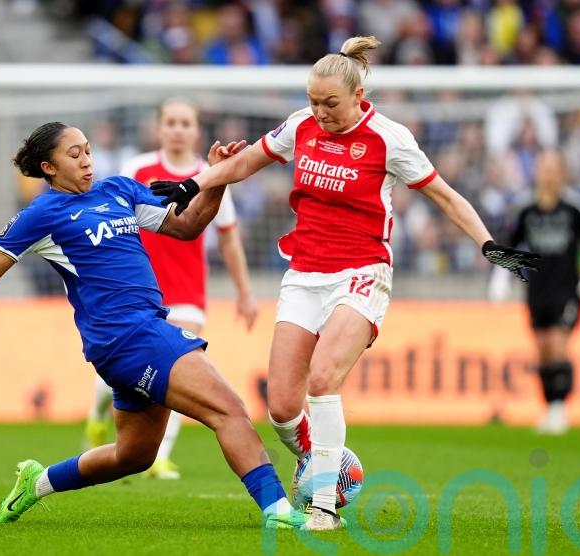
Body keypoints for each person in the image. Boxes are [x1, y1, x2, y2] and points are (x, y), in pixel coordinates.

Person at [149, 35, 540, 531]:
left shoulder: (389, 139)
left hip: (361, 273)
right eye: (313, 101)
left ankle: (323, 507)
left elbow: (445, 195)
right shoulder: (302, 126)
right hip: (304, 273)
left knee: (322, 379)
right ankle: (326, 463)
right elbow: (246, 161)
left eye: (330, 103)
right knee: (282, 408)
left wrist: (488, 245)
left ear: (358, 97)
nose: (320, 111)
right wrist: (195, 183)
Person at [0, 122, 306, 529]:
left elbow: (188, 226)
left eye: (87, 150)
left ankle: (38, 482)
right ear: (48, 168)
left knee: (134, 455)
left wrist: (217, 179)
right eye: (74, 155)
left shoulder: (119, 190)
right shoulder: (42, 214)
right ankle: (278, 511)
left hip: (137, 335)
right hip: (128, 337)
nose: (86, 160)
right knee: (229, 410)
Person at [84, 98, 258, 480]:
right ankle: (97, 417)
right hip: (139, 291)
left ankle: (160, 454)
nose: (178, 129)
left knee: (182, 367)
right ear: (159, 129)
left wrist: (244, 292)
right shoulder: (138, 169)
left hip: (188, 290)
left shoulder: (206, 174)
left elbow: (228, 238)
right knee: (113, 380)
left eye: (185, 123)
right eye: (172, 123)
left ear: (196, 131)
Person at [490, 150, 580, 434]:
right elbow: (510, 243)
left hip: (567, 289)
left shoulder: (574, 208)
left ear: (562, 172)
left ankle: (559, 409)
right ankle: (549, 407)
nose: (548, 173)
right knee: (542, 350)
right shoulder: (525, 209)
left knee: (558, 344)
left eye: (554, 167)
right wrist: (501, 277)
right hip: (537, 290)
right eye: (544, 167)